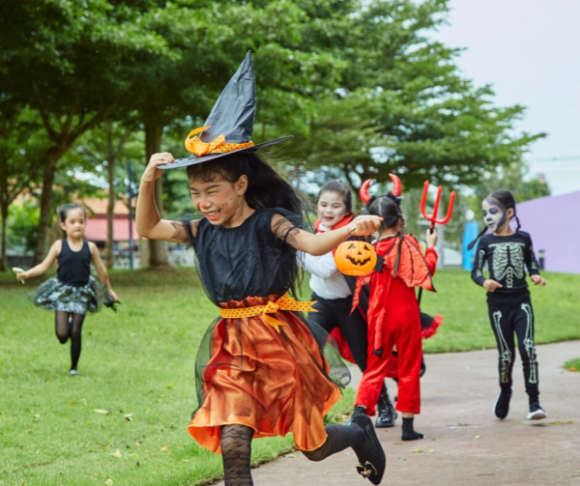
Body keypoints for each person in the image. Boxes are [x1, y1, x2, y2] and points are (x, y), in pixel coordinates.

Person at [136, 52, 386, 486]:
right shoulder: (200, 230)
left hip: (279, 342)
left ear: (240, 184)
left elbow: (310, 242)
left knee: (314, 447)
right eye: (196, 193)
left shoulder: (268, 221)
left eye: (212, 191)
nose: (204, 203)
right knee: (234, 445)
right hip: (230, 344)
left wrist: (349, 229)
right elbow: (149, 227)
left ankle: (359, 434)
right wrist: (147, 182)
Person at [299, 180, 396, 428]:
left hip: (348, 305)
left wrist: (296, 250)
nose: (328, 211)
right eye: (323, 204)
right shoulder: (313, 229)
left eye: (335, 206)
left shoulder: (353, 233)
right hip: (319, 302)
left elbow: (325, 269)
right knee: (312, 354)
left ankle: (384, 405)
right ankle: (315, 412)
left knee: (364, 359)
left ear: (346, 210)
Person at [351, 184, 438, 442]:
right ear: (399, 220)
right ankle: (408, 428)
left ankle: (358, 416)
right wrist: (431, 246)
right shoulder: (408, 243)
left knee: (374, 368)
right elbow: (427, 269)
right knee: (408, 367)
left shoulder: (366, 252)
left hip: (379, 317)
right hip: (407, 316)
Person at [469, 190, 547, 420]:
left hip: (521, 302)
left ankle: (534, 402)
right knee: (506, 354)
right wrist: (484, 281)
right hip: (498, 305)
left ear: (509, 212)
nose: (488, 217)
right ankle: (505, 391)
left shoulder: (523, 238)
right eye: (485, 213)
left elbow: (531, 264)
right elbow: (475, 271)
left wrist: (535, 275)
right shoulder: (486, 241)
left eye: (493, 211)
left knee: (528, 349)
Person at [16, 203, 118, 375]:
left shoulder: (90, 247)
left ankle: (73, 368)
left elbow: (102, 271)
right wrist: (26, 274)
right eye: (72, 222)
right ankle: (66, 327)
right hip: (63, 292)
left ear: (85, 223)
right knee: (63, 335)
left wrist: (110, 290)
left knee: (76, 331)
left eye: (81, 221)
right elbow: (43, 266)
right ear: (63, 225)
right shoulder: (58, 246)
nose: (77, 225)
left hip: (82, 292)